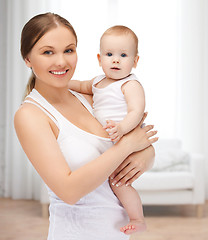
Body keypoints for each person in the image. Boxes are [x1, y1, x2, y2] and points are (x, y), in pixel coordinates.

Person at [14, 13, 158, 240]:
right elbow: (69, 191)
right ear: (28, 59)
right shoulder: (30, 115)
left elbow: (137, 139)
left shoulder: (91, 98)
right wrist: (128, 145)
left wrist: (147, 155)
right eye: (48, 52)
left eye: (69, 50)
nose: (61, 61)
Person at [69, 25, 147, 234]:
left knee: (119, 182)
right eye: (109, 54)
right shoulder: (97, 82)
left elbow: (136, 111)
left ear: (135, 61)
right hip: (110, 142)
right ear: (99, 58)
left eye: (123, 55)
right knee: (109, 178)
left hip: (124, 138)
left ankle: (137, 218)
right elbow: (81, 85)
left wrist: (122, 128)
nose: (115, 59)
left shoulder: (130, 84)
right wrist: (65, 83)